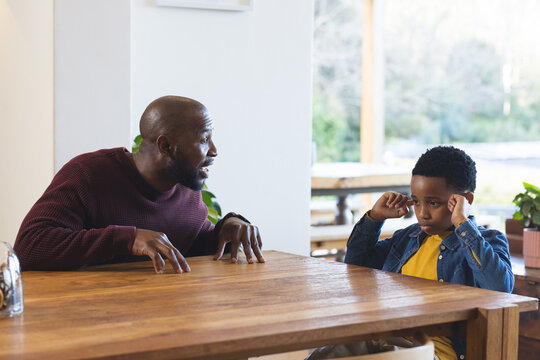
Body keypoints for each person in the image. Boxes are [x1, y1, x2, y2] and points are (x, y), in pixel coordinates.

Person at [14, 95, 265, 273]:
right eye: (204, 139)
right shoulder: (88, 174)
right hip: (89, 327)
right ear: (165, 146)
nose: (214, 150)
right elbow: (30, 246)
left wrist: (227, 228)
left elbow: (186, 243)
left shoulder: (185, 188)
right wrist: (127, 238)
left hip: (162, 323)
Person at [308, 146, 513, 360]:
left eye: (433, 203)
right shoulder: (408, 238)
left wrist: (462, 223)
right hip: (387, 341)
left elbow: (499, 288)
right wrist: (374, 218)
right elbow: (355, 265)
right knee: (327, 354)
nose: (422, 213)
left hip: (433, 353)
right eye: (416, 202)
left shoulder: (487, 241)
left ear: (466, 200)